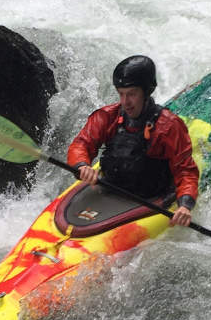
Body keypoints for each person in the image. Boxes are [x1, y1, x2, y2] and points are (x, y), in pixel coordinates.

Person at [67, 55, 200, 227]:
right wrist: (82, 165)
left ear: (146, 92)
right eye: (121, 94)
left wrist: (185, 205)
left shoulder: (169, 127)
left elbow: (185, 172)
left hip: (150, 197)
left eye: (131, 94)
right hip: (110, 188)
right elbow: (81, 144)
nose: (125, 102)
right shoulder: (107, 117)